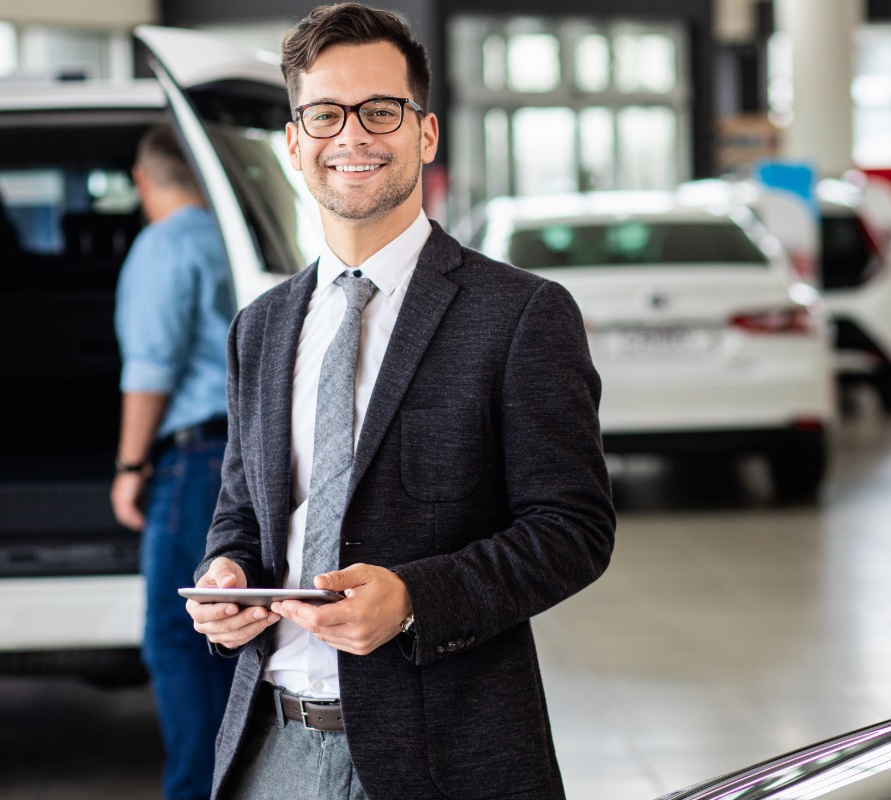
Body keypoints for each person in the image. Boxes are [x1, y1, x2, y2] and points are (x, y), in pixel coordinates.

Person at [184, 4, 617, 799]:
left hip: (446, 754)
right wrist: (228, 573)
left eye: (381, 110)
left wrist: (416, 599)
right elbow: (243, 510)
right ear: (293, 142)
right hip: (271, 745)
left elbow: (574, 529)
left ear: (425, 133)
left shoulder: (519, 314)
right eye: (323, 115)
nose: (351, 135)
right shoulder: (263, 327)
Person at [110, 124, 238, 800]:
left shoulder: (163, 245)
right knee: (224, 630)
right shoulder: (228, 236)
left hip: (191, 461)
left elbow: (152, 369)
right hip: (237, 453)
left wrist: (130, 467)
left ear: (143, 180)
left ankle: (197, 790)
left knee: (176, 635)